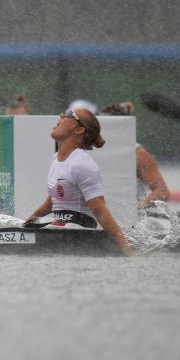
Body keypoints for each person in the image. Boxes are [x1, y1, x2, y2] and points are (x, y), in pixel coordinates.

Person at [26, 108, 133, 256]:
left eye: (68, 114)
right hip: (59, 228)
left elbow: (100, 211)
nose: (61, 115)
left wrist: (126, 250)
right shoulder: (56, 158)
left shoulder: (83, 165)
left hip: (79, 235)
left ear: (79, 130)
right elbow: (51, 202)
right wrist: (25, 225)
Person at [99, 101, 170, 209]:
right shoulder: (89, 150)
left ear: (122, 128)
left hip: (128, 218)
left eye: (109, 127)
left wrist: (138, 208)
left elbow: (162, 192)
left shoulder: (138, 154)